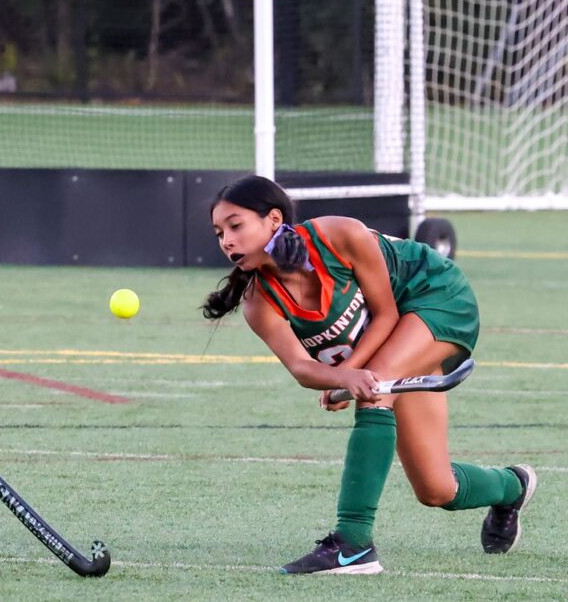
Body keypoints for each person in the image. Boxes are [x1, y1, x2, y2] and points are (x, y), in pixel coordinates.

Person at [202, 175, 536, 575]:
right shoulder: (261, 303)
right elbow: (302, 368)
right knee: (436, 488)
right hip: (397, 340)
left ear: (274, 219)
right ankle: (512, 487)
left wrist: (350, 374)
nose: (227, 241)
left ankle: (353, 545)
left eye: (236, 226)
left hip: (436, 296)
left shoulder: (337, 235)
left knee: (374, 392)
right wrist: (344, 376)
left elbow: (386, 314)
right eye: (220, 233)